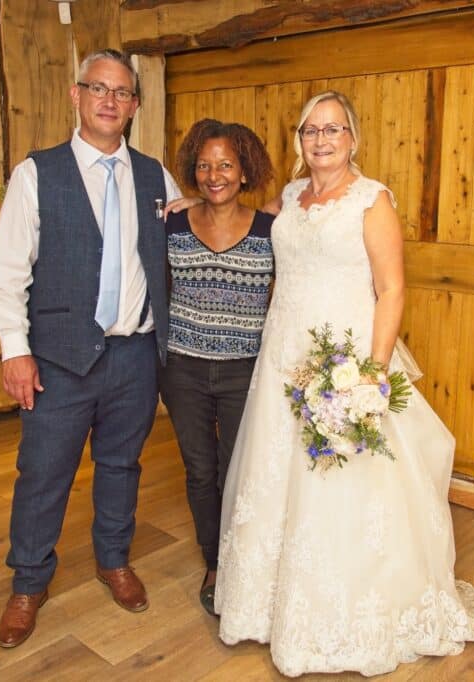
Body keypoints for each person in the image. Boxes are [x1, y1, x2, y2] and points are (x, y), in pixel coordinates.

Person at [214, 91, 474, 677]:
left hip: (340, 357)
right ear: (299, 140)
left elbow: (392, 289)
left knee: (340, 481)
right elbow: (238, 219)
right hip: (282, 356)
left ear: (353, 138)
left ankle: (338, 612)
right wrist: (188, 204)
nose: (321, 140)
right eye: (310, 130)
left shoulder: (373, 201)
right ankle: (269, 606)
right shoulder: (290, 198)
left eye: (333, 130)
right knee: (277, 474)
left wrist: (367, 375)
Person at [0, 48, 181, 649]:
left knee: (122, 466)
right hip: (58, 361)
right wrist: (14, 350)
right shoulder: (36, 173)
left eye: (121, 92)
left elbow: (186, 243)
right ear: (76, 95)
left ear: (134, 105)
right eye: (98, 88)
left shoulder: (156, 176)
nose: (109, 100)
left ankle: (113, 559)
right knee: (43, 473)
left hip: (135, 356)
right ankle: (29, 582)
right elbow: (7, 269)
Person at [158, 119, 274, 615]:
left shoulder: (272, 229)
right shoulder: (173, 223)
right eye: (204, 165)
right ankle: (214, 562)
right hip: (183, 369)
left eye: (226, 164)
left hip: (245, 371)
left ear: (244, 171)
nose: (214, 174)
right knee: (200, 470)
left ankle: (240, 559)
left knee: (237, 471)